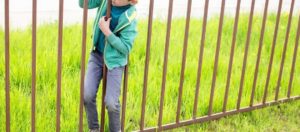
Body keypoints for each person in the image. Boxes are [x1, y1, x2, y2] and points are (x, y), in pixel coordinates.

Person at [79, 0, 138, 131]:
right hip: (97, 55)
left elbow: (125, 48)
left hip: (115, 61)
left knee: (111, 103)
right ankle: (94, 129)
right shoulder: (106, 1)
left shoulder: (130, 16)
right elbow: (83, 4)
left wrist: (107, 32)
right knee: (87, 95)